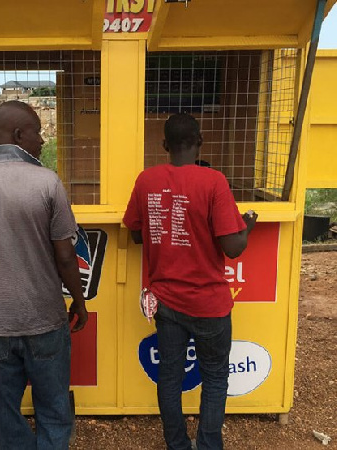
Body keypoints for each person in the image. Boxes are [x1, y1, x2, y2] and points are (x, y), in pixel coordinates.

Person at [0, 100, 88, 449]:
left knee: (7, 412)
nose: (42, 141)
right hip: (45, 322)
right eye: (38, 134)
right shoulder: (47, 183)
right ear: (18, 134)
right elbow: (66, 256)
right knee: (53, 409)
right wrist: (79, 302)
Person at [123, 113, 258, 450]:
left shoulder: (146, 180)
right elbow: (233, 248)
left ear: (165, 145)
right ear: (200, 142)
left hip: (166, 301)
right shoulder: (213, 181)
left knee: (169, 377)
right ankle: (209, 444)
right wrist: (247, 226)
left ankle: (177, 445)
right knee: (214, 375)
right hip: (209, 305)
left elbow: (137, 233)